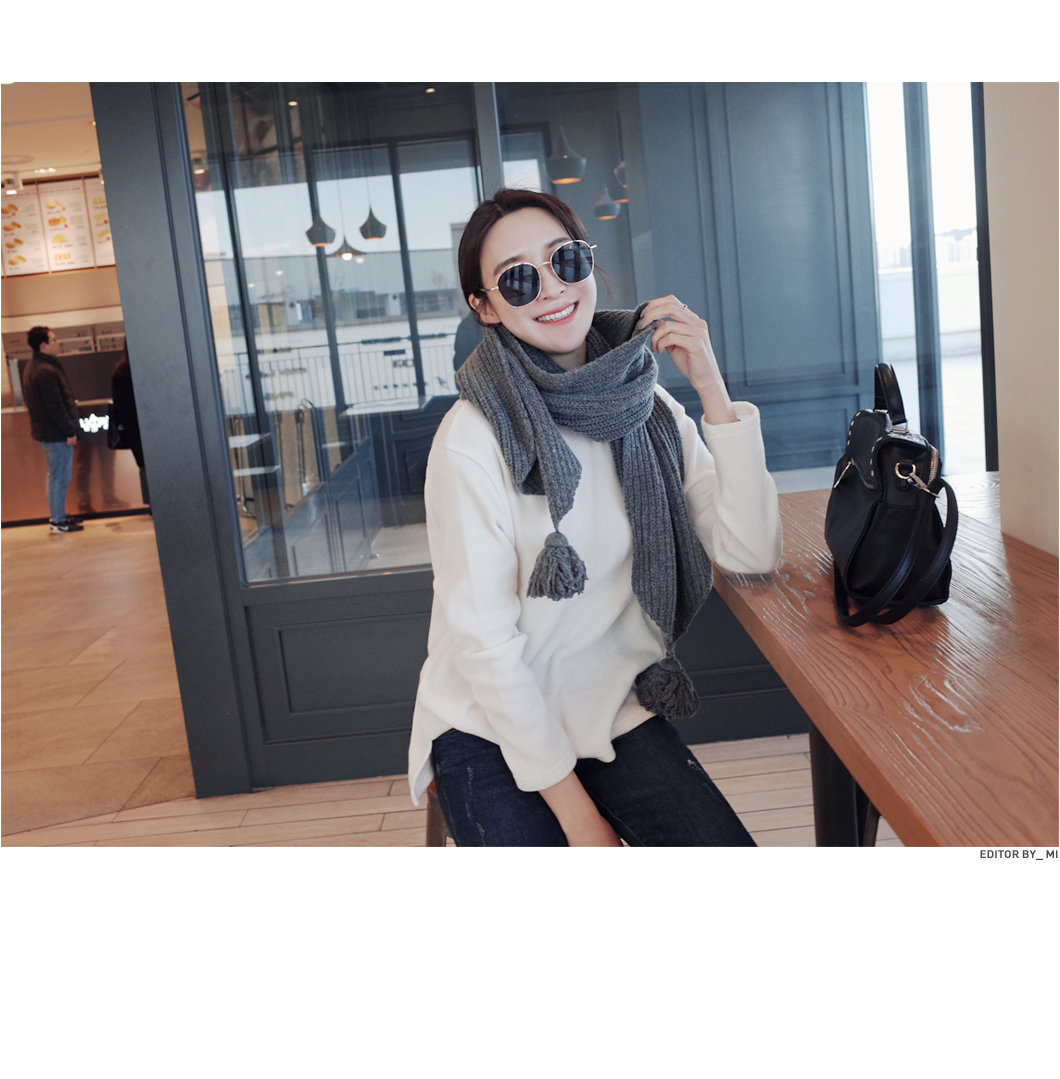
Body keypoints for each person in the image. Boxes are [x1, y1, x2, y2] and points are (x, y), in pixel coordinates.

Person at [408, 190, 782, 846]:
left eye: (565, 260)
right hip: (488, 722)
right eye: (518, 279)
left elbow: (751, 552)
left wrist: (712, 388)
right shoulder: (472, 439)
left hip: (608, 707)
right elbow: (484, 647)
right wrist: (581, 819)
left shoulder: (648, 405)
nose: (553, 288)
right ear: (486, 307)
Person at [22, 326, 83, 534]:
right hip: (55, 434)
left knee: (58, 476)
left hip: (50, 432)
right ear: (43, 345)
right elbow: (55, 407)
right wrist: (69, 431)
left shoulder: (37, 366)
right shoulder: (45, 371)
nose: (58, 343)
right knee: (59, 477)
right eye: (54, 340)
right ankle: (58, 521)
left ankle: (60, 516)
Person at [110, 344, 150, 506]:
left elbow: (117, 403)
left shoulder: (120, 371)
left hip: (133, 428)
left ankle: (152, 505)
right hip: (151, 425)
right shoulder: (147, 368)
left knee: (144, 466)